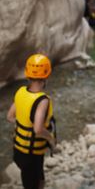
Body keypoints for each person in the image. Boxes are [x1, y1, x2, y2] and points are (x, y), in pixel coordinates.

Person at [7, 54, 56, 189]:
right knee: (32, 184)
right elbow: (38, 129)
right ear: (46, 75)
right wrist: (51, 138)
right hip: (31, 154)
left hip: (19, 150)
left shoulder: (20, 91)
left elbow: (10, 117)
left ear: (27, 73)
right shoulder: (42, 100)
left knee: (39, 180)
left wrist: (23, 125)